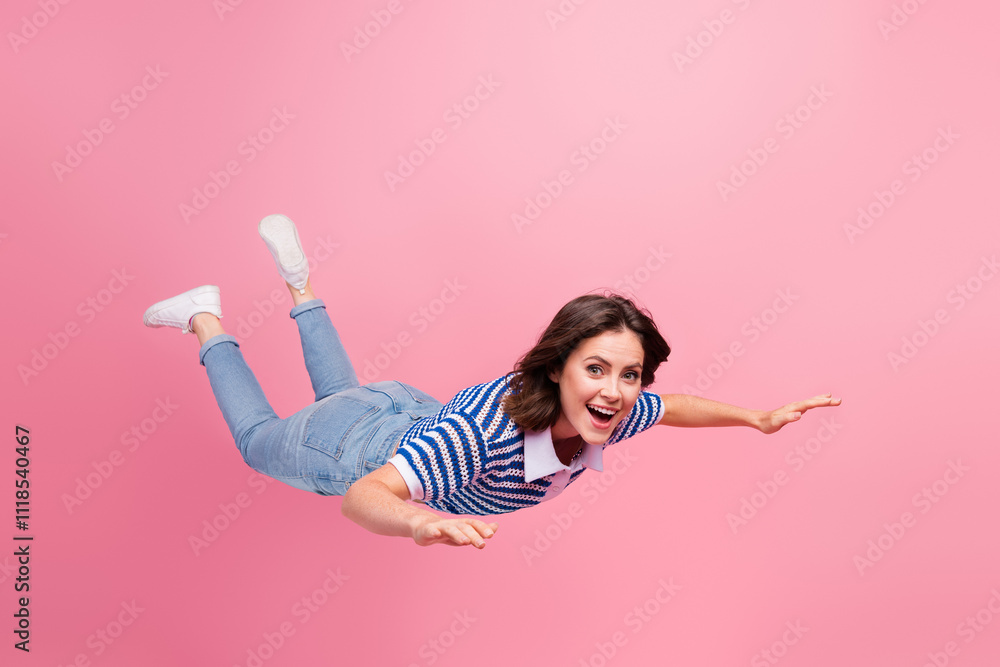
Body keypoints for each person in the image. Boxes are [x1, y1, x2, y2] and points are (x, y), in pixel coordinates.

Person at [143, 214, 842, 550]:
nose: (619, 389)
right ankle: (206, 317)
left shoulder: (607, 409)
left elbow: (674, 406)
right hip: (365, 445)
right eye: (597, 368)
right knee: (260, 440)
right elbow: (364, 495)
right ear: (557, 365)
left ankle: (300, 284)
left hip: (400, 411)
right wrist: (421, 518)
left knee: (341, 395)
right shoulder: (481, 440)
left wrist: (757, 417)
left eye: (629, 374)